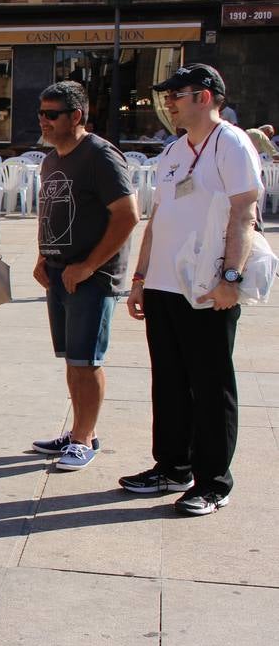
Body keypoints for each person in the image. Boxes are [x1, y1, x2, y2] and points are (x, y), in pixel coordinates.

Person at [121, 64, 263, 515]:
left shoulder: (232, 142)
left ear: (204, 96)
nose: (168, 102)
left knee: (210, 384)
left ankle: (213, 482)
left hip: (207, 289)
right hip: (164, 286)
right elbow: (158, 217)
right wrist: (141, 278)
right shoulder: (173, 151)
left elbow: (244, 213)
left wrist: (231, 279)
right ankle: (172, 467)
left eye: (175, 95)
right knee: (169, 383)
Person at [30, 82, 139, 471]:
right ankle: (79, 429)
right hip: (59, 272)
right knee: (72, 358)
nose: (43, 120)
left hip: (91, 276)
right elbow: (52, 213)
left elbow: (127, 215)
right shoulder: (52, 159)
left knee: (87, 359)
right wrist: (44, 256)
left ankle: (84, 438)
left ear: (76, 116)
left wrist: (89, 265)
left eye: (52, 113)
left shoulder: (100, 156)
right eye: (41, 112)